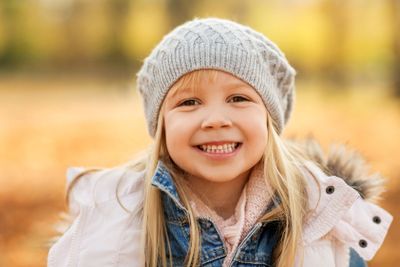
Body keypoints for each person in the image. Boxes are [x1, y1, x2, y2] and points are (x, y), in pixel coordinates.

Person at [47, 18, 392, 267]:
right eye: (189, 103)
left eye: (239, 99)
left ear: (269, 119)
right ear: (161, 124)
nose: (215, 119)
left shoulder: (324, 219)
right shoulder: (113, 219)